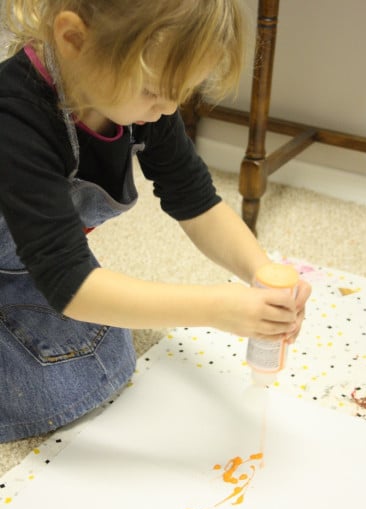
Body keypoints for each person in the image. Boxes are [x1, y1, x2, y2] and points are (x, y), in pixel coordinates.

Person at [0, 0, 311, 443]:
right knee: (55, 385)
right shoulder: (15, 117)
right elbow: (71, 285)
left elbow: (196, 201)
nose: (168, 108)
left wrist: (262, 274)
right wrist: (217, 309)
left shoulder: (140, 100)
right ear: (73, 40)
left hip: (31, 268)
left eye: (181, 92)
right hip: (47, 273)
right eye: (154, 90)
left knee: (108, 351)